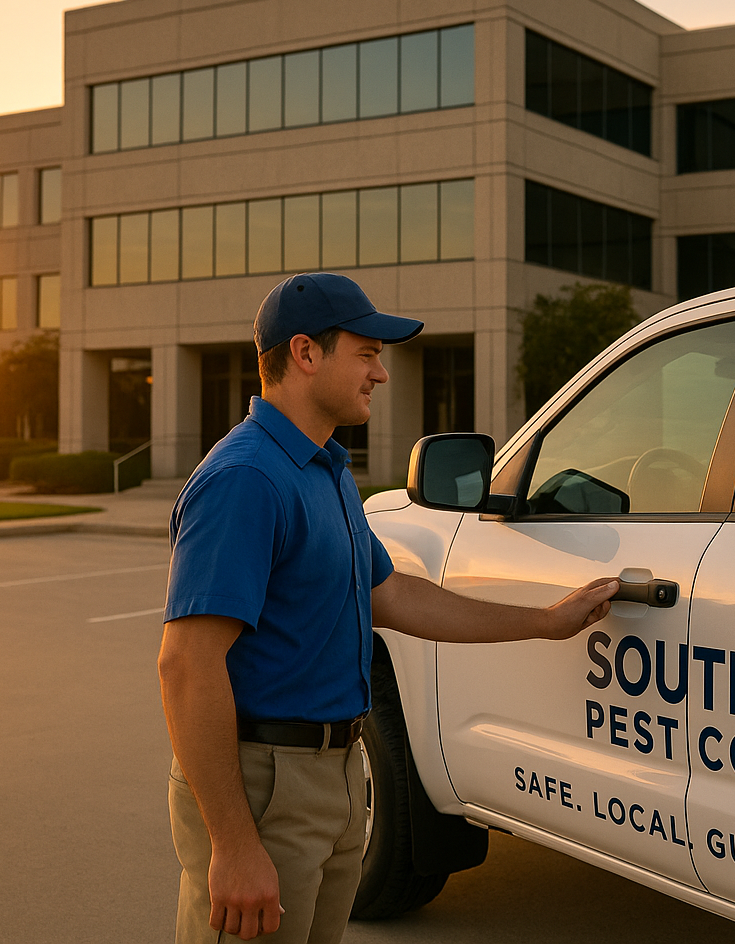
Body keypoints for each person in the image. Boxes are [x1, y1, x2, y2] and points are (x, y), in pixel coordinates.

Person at [158, 272, 617, 943]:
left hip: (338, 778)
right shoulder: (245, 480)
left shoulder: (326, 469)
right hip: (263, 787)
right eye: (366, 353)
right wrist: (233, 844)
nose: (381, 374)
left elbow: (390, 594)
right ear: (306, 354)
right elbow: (186, 666)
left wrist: (544, 622)